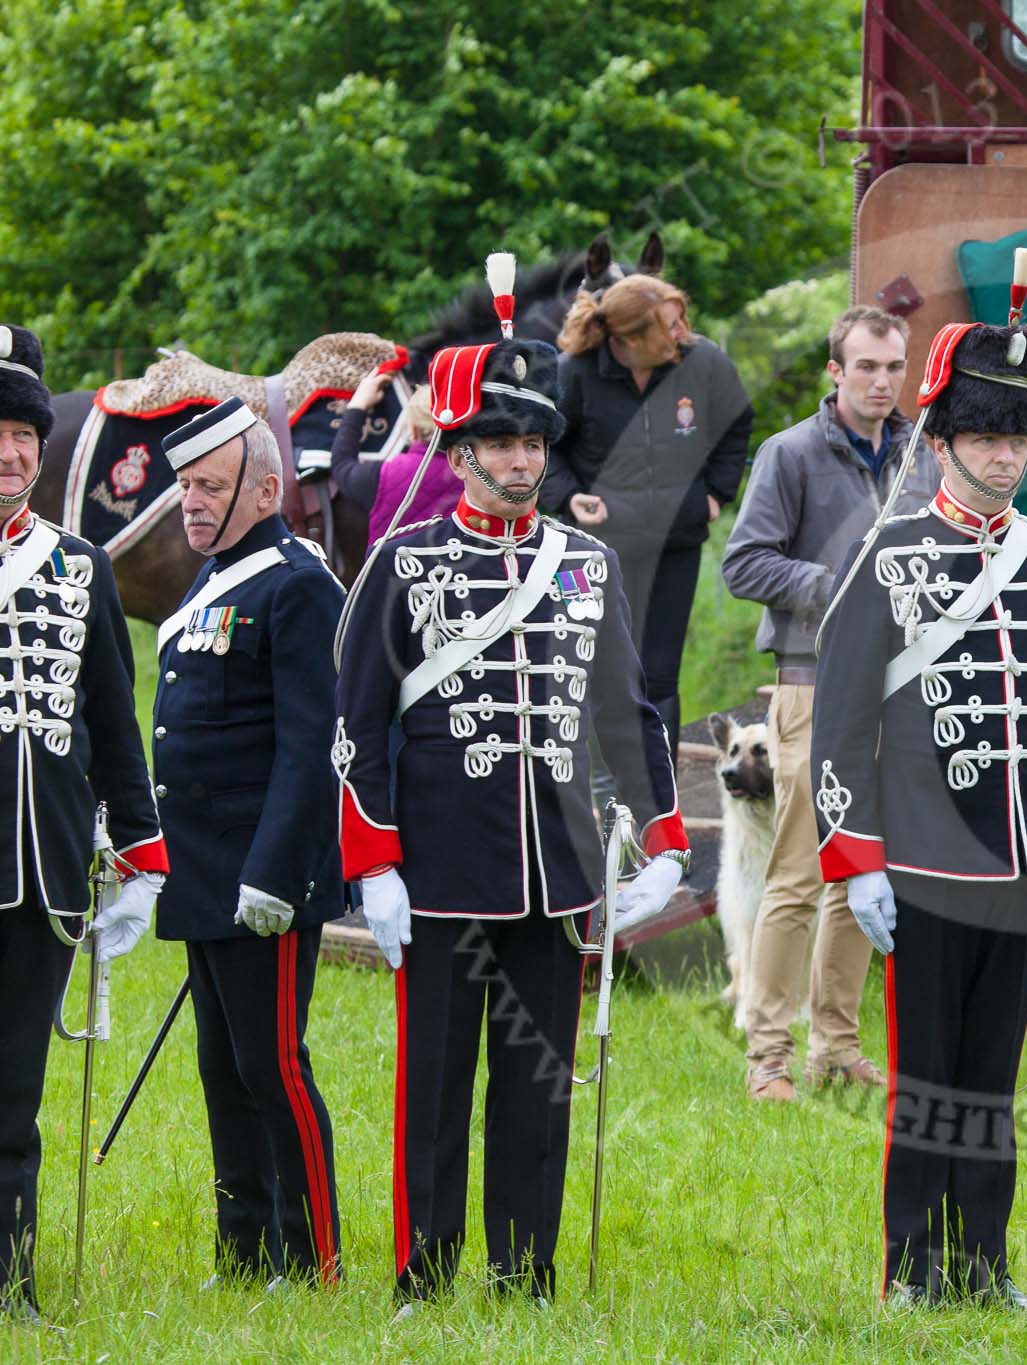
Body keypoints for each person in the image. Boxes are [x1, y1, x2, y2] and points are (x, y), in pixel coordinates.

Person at [333, 259, 691, 1309]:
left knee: (539, 1089)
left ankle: (525, 1271)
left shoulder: (586, 565)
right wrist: (375, 864)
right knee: (435, 1087)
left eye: (533, 441)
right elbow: (356, 728)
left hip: (557, 871)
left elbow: (629, 716)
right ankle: (424, 1271)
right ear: (461, 448)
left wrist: (665, 845)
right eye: (499, 442)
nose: (521, 460)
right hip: (439, 869)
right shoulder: (403, 567)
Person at [811, 306, 1027, 1311]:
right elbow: (839, 717)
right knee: (926, 1084)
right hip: (920, 857)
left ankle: (983, 1267)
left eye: (1016, 438)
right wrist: (855, 858)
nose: (1003, 456)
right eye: (986, 436)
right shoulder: (889, 551)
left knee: (993, 1078)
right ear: (942, 441)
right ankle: (912, 1269)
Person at [149, 397, 345, 1288]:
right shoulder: (211, 576)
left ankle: (312, 1259)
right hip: (201, 867)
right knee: (222, 1069)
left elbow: (310, 744)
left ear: (266, 488)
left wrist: (274, 870)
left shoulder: (297, 580)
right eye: (186, 485)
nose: (191, 501)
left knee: (275, 1067)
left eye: (210, 485)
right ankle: (243, 1248)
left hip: (263, 872)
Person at [720, 305, 936, 1100]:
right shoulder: (790, 455)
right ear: (834, 372)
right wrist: (836, 588)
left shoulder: (925, 458)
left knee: (862, 869)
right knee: (799, 876)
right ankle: (767, 1055)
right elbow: (742, 565)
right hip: (811, 683)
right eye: (866, 366)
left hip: (902, 687)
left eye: (893, 366)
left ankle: (835, 1046)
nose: (882, 381)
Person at [0, 325, 166, 1322]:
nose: (12, 452)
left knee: (14, 1098)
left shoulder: (77, 567)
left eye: (24, 433)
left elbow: (113, 716)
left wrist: (140, 857)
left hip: (43, 872)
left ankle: (10, 1284)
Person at [542, 272, 753, 735]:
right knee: (596, 665)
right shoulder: (573, 372)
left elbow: (737, 423)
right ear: (629, 338)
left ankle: (659, 795)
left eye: (681, 321)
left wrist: (716, 494)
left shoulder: (703, 361)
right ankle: (603, 798)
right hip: (594, 546)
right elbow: (544, 443)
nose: (683, 333)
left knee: (658, 674)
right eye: (670, 325)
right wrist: (567, 495)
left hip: (674, 540)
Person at [327, 369, 463, 540]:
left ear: (413, 430)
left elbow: (342, 466)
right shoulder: (481, 471)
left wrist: (357, 407)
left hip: (399, 566)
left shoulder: (386, 475)